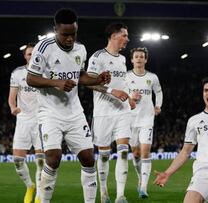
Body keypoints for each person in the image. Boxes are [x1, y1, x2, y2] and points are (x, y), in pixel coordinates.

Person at [26, 8, 111, 203]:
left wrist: (98, 79)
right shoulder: (44, 47)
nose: (70, 38)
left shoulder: (80, 49)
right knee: (54, 158)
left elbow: (80, 76)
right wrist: (56, 83)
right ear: (55, 29)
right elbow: (31, 78)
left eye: (73, 34)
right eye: (65, 35)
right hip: (49, 113)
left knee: (89, 158)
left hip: (74, 113)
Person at [87, 22, 133, 203]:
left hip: (122, 111)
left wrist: (129, 97)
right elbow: (89, 82)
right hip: (103, 113)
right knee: (104, 155)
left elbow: (123, 84)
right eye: (124, 35)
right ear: (114, 35)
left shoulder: (122, 59)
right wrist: (111, 91)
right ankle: (104, 193)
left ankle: (120, 195)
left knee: (123, 151)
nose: (127, 39)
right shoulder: (97, 57)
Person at [8, 42, 44, 203]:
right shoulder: (18, 73)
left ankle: (38, 196)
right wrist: (13, 107)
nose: (32, 56)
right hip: (23, 120)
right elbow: (12, 97)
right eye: (29, 54)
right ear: (25, 56)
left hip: (42, 120)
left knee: (41, 160)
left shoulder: (45, 72)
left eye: (34, 53)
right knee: (17, 160)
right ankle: (30, 186)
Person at [126, 47, 163, 199]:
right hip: (130, 118)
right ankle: (140, 177)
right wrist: (130, 95)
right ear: (132, 60)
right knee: (135, 154)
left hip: (147, 118)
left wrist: (158, 105)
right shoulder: (126, 77)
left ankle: (143, 187)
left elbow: (159, 92)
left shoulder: (152, 77)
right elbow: (120, 93)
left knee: (145, 151)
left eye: (142, 57)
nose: (139, 59)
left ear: (146, 60)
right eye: (137, 57)